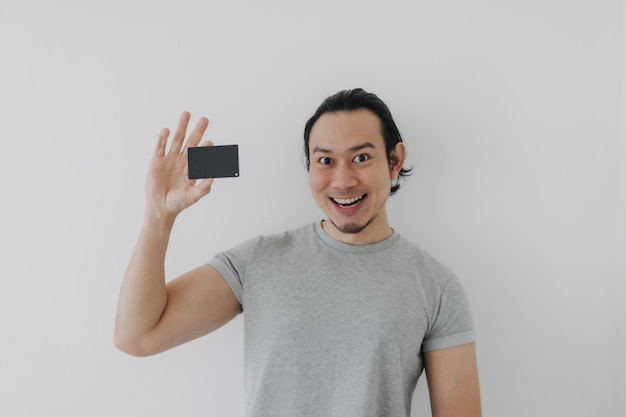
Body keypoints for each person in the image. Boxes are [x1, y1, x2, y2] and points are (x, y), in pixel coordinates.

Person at [114, 88, 482, 417]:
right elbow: (137, 336)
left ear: (394, 160)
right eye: (325, 161)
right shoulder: (258, 261)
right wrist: (158, 217)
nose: (342, 180)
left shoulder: (436, 286)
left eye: (361, 158)